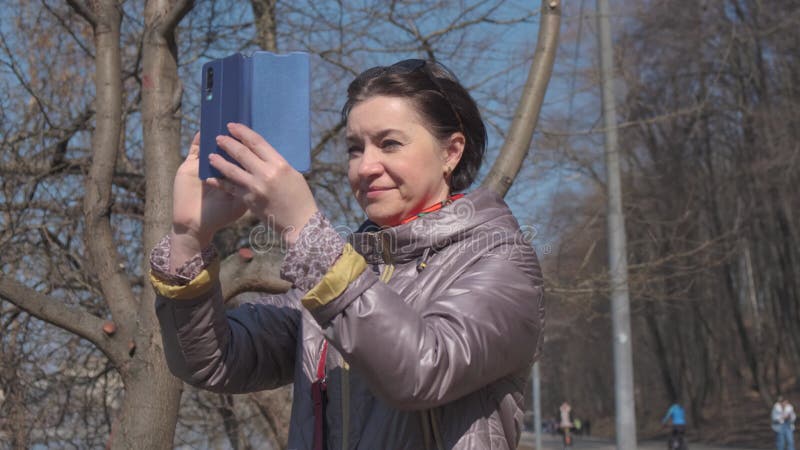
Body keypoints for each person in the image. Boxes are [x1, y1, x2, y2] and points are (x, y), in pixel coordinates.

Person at [149, 59, 545, 449]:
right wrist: (189, 238)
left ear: (451, 152)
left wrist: (305, 230)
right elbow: (215, 362)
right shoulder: (343, 274)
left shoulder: (501, 260)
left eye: (390, 144)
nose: (366, 166)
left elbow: (423, 370)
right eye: (355, 149)